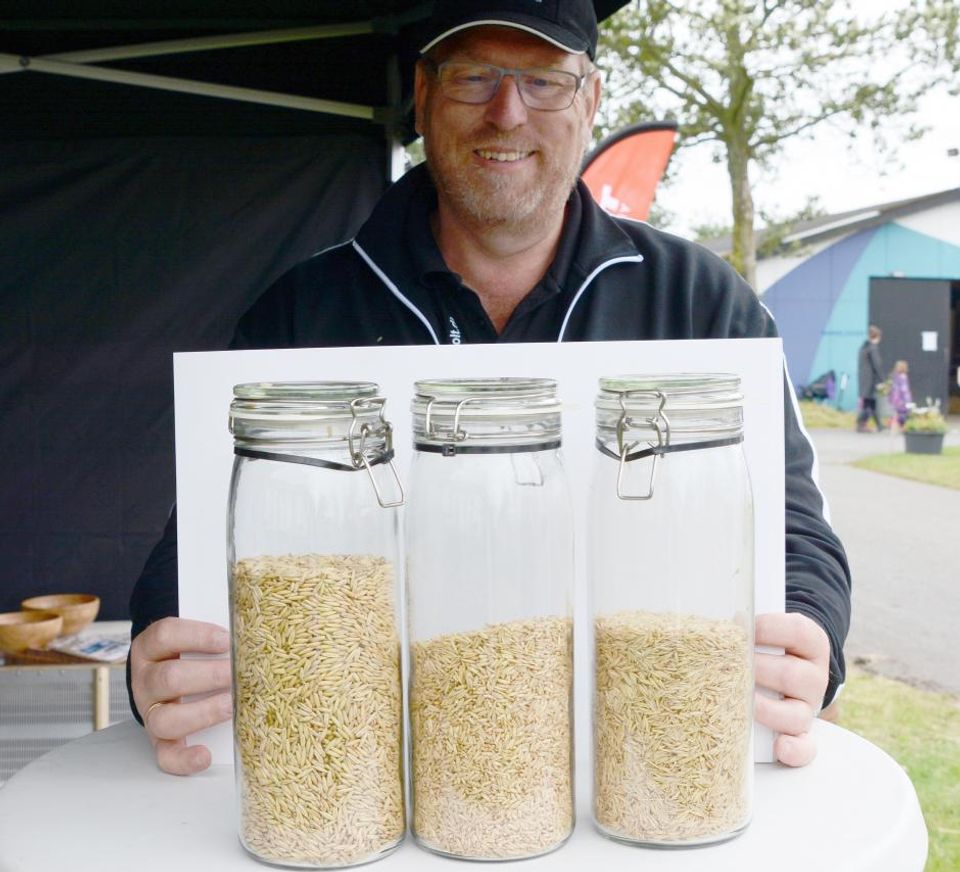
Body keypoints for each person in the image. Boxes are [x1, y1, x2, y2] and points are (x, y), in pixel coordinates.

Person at [128, 0, 851, 776]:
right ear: (423, 96)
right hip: (361, 785)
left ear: (591, 100)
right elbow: (195, 545)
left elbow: (795, 528)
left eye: (543, 81)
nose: (507, 113)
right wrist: (165, 654)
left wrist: (810, 631)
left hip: (647, 772)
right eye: (474, 77)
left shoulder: (701, 303)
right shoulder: (300, 313)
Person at [856, 325, 885, 432]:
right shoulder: (873, 349)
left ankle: (879, 425)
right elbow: (877, 365)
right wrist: (882, 379)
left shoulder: (863, 347)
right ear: (877, 337)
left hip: (863, 381)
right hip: (870, 381)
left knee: (870, 404)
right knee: (869, 404)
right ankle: (860, 423)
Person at [888, 359, 913, 431]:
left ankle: (895, 426)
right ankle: (902, 427)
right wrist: (908, 399)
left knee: (897, 412)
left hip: (895, 398)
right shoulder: (903, 376)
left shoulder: (895, 376)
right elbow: (904, 389)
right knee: (904, 413)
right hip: (902, 398)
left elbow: (893, 387)